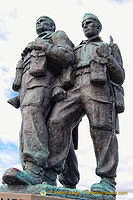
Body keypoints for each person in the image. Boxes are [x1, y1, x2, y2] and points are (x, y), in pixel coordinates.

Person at [47, 13, 125, 192]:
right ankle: (54, 175)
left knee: (102, 130)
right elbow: (64, 71)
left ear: (98, 26)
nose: (85, 27)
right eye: (83, 24)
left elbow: (120, 76)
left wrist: (109, 58)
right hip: (73, 88)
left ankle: (107, 180)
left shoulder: (109, 46)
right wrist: (58, 86)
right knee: (56, 121)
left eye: (89, 23)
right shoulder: (76, 49)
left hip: (98, 88)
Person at [2, 16, 80, 186]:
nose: (39, 23)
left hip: (44, 85)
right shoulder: (31, 44)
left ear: (52, 25)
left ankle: (34, 169)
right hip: (26, 89)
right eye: (37, 21)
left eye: (44, 21)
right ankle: (68, 176)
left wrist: (45, 47)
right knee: (51, 132)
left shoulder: (57, 36)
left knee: (32, 121)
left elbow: (68, 58)